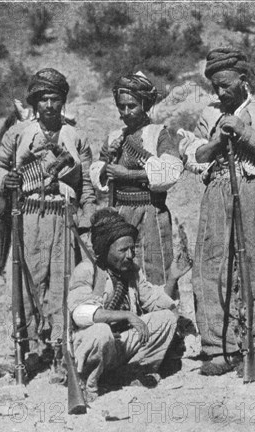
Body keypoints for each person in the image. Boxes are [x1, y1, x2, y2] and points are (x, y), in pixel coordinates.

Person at [179, 47, 255, 377]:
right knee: (212, 266)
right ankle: (218, 347)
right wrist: (216, 143)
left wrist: (243, 132)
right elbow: (194, 156)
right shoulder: (208, 115)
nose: (220, 92)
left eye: (226, 84)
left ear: (243, 80)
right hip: (218, 191)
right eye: (215, 86)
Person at [0, 68, 96, 361]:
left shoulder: (75, 136)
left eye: (55, 99)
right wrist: (5, 179)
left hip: (63, 216)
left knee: (63, 283)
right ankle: (29, 347)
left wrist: (88, 213)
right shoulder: (19, 132)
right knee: (28, 282)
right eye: (44, 99)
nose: (49, 106)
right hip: (29, 215)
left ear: (63, 101)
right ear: (35, 102)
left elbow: (86, 182)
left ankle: (62, 350)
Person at [68, 208, 184, 397]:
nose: (130, 255)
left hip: (121, 344)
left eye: (132, 249)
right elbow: (80, 314)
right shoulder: (87, 270)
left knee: (166, 319)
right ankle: (88, 384)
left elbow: (154, 302)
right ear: (106, 249)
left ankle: (130, 373)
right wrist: (127, 315)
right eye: (123, 250)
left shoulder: (131, 271)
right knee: (100, 331)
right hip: (96, 343)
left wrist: (172, 278)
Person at [90, 72, 183, 292]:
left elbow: (171, 171)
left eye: (131, 106)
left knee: (154, 269)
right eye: (121, 107)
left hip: (150, 211)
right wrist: (106, 162)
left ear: (145, 104)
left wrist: (129, 175)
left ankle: (160, 321)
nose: (125, 112)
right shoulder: (115, 137)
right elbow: (98, 176)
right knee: (120, 271)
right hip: (120, 212)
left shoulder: (159, 134)